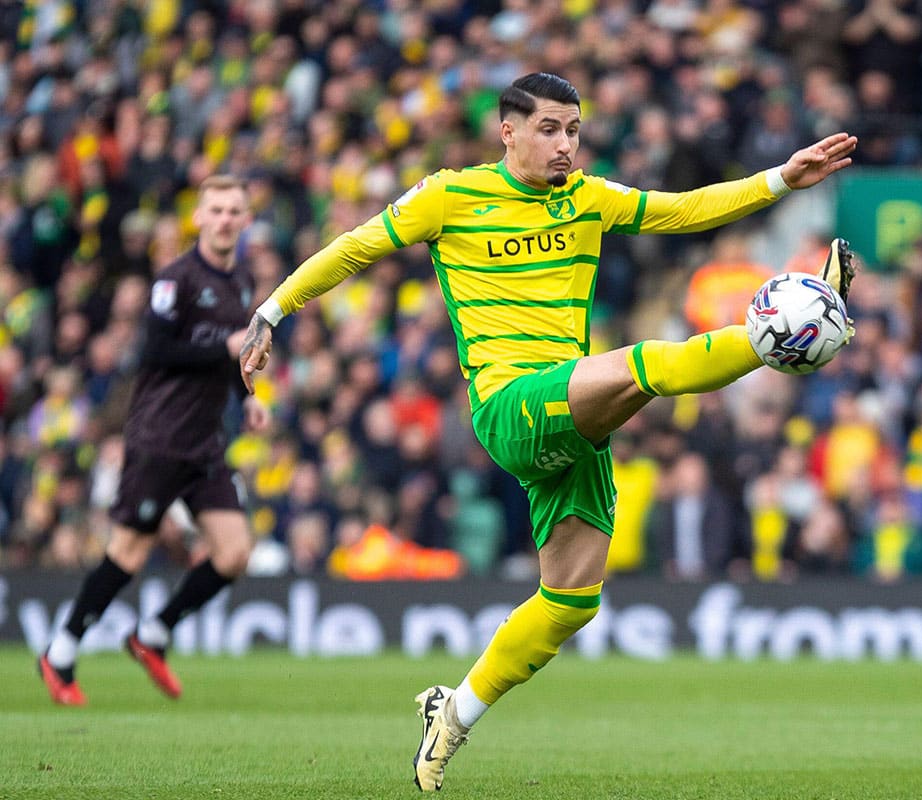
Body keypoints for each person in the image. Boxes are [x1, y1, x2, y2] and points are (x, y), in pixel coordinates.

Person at [238, 72, 856, 791]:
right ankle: (780, 336)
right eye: (549, 130)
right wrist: (272, 312)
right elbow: (354, 248)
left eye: (574, 131)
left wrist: (781, 179)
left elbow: (685, 211)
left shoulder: (588, 197)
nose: (566, 145)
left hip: (571, 416)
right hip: (509, 404)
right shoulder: (451, 195)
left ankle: (454, 712)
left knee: (571, 600)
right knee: (640, 368)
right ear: (508, 130)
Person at [38, 175, 270, 705]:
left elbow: (230, 355)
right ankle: (62, 651)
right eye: (216, 209)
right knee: (129, 551)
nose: (225, 219)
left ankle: (154, 634)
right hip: (161, 438)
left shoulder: (241, 281)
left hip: (205, 442)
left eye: (235, 210)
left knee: (234, 552)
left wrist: (248, 395)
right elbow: (157, 351)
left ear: (246, 220)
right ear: (199, 217)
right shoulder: (176, 279)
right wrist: (226, 344)